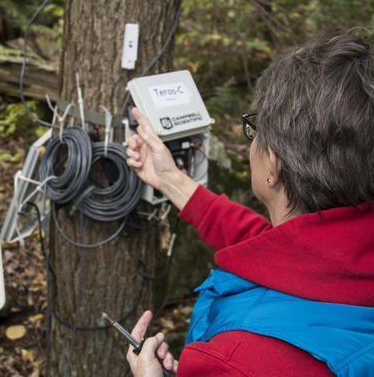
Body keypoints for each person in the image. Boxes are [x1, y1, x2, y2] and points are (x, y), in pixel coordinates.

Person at [125, 29, 374, 377]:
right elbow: (265, 246)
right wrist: (170, 179)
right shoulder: (347, 258)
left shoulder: (237, 361)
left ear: (273, 165)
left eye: (255, 130)